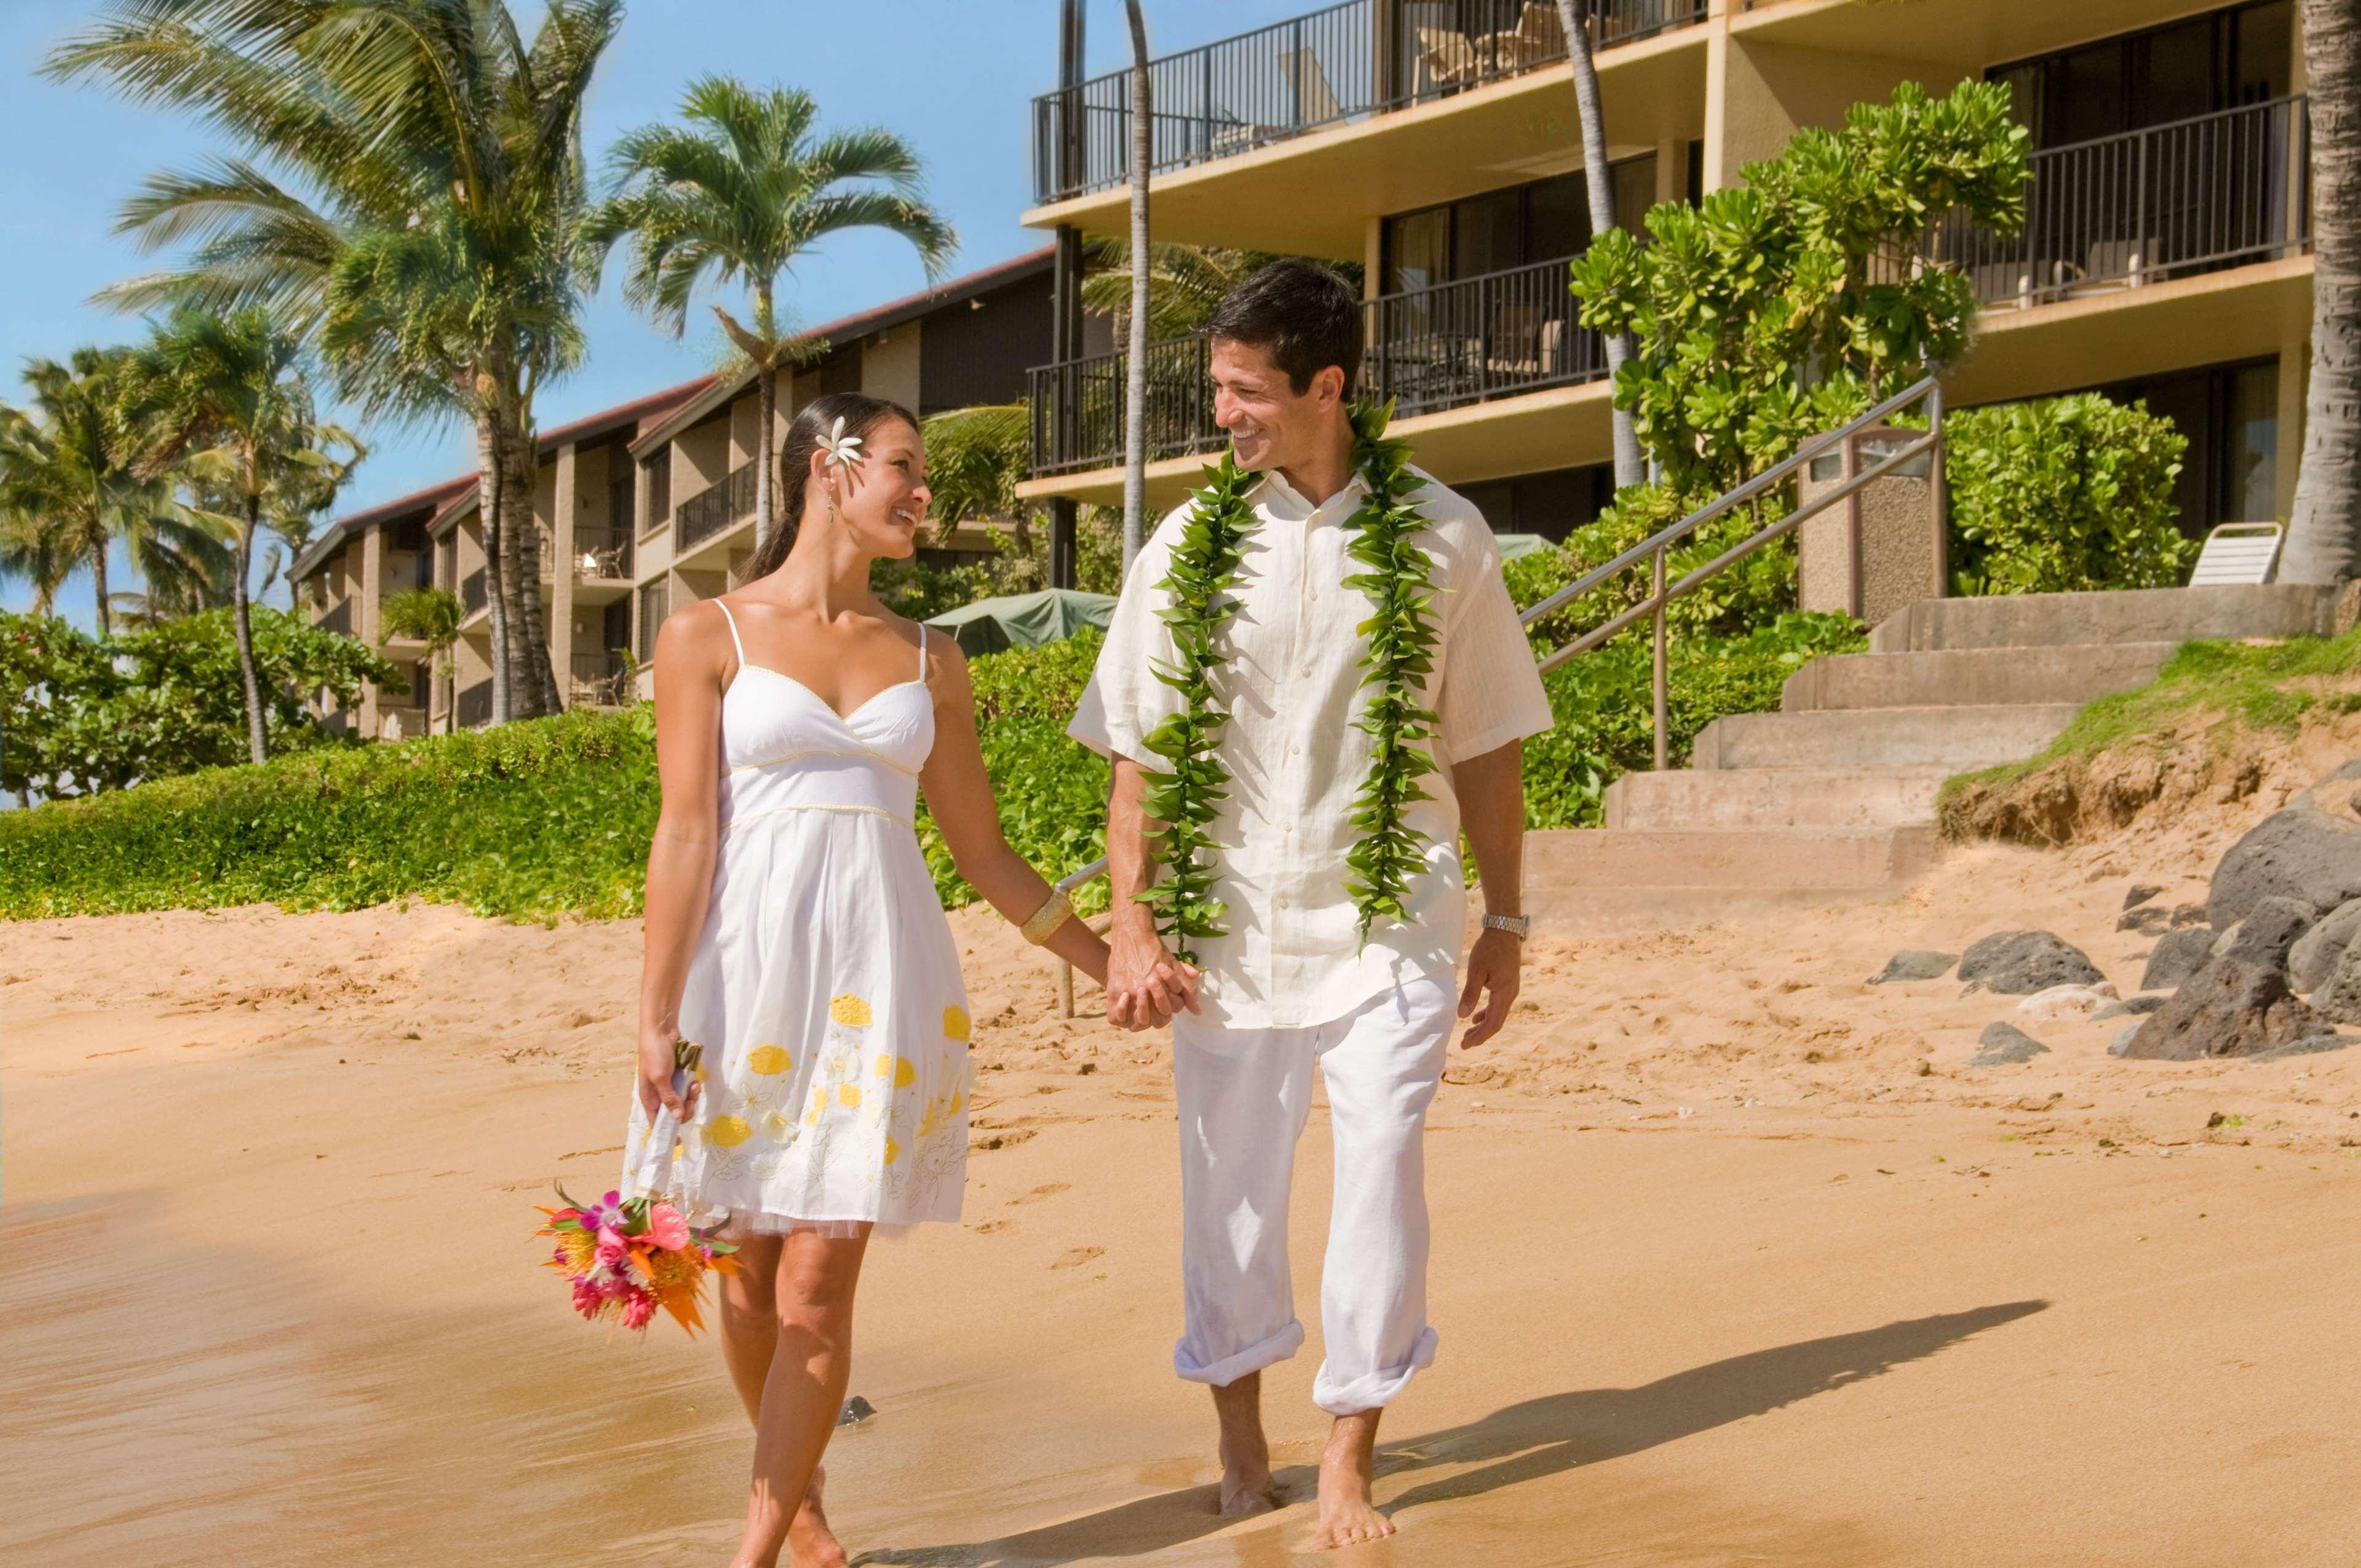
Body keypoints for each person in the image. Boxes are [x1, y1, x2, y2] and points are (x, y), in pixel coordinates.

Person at [1068, 261, 1552, 1550]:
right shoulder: (1187, 546)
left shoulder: (1444, 537)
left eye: (1244, 391)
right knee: (1227, 1190)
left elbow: (1489, 742)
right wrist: (1132, 925)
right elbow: (1138, 752)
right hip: (1226, 931)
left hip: (1387, 918)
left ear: (1326, 387)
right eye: (1216, 388)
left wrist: (1505, 923)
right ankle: (1240, 1437)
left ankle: (1350, 1447)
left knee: (1383, 1161)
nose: (1220, 414)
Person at [629, 390, 1111, 1568]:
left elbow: (985, 855)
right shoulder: (706, 636)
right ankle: (806, 1512)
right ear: (826, 469)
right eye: (904, 464)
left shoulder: (931, 657)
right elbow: (685, 834)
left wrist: (1110, 961)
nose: (922, 490)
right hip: (742, 978)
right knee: (744, 1274)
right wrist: (652, 1019)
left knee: (815, 1279)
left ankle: (747, 1550)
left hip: (879, 981)